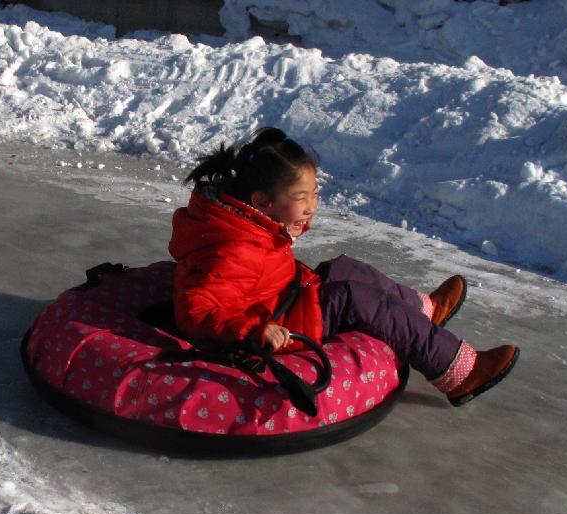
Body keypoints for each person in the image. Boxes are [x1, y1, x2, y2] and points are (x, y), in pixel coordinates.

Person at [168, 127, 519, 406]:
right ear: (263, 202)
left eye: (314, 193)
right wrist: (251, 332)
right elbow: (196, 311)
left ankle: (423, 312)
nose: (312, 206)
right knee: (354, 297)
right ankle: (460, 373)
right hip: (269, 325)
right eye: (301, 198)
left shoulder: (251, 220)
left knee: (343, 268)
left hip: (280, 298)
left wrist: (292, 217)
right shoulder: (234, 248)